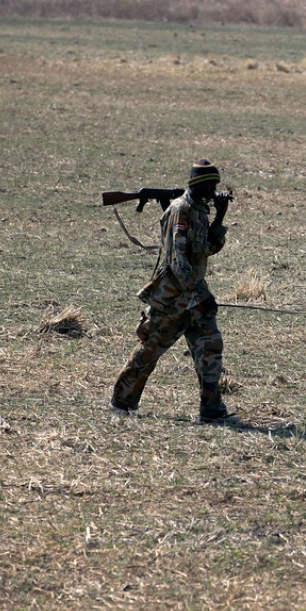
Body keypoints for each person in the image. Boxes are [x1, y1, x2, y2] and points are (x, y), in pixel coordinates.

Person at [110, 160, 236, 424]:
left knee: (210, 347)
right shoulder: (181, 210)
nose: (215, 190)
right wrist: (197, 293)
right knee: (149, 351)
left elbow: (207, 249)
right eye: (211, 185)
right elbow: (178, 259)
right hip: (173, 299)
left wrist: (220, 217)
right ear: (198, 185)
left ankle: (212, 411)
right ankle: (121, 401)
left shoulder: (200, 210)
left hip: (196, 298)